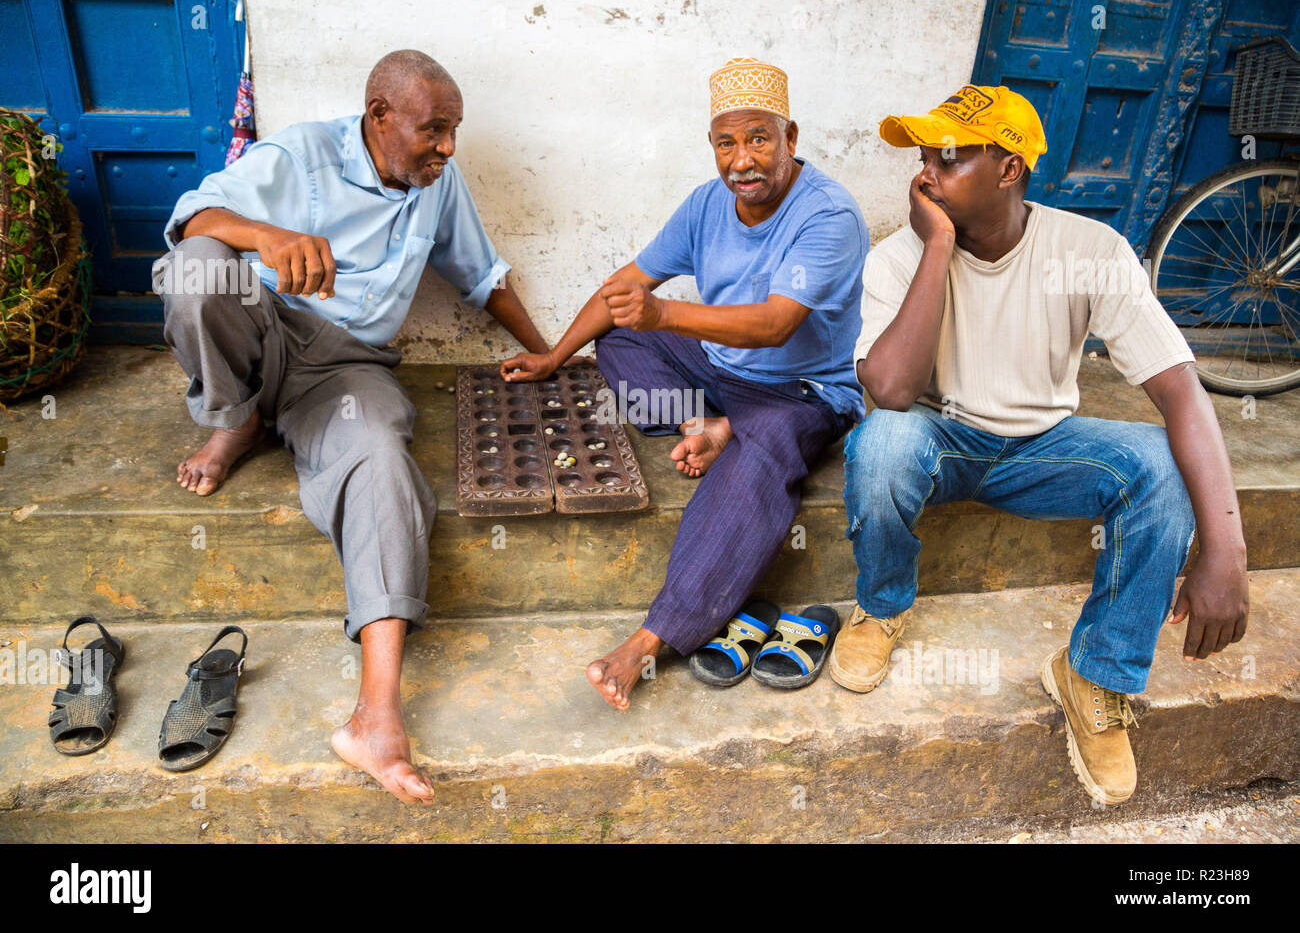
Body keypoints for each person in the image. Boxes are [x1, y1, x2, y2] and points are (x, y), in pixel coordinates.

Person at [152, 50, 551, 803]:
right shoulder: (303, 156)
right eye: (434, 129)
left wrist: (550, 352)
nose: (448, 147)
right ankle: (234, 419)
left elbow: (482, 275)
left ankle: (375, 714)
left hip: (345, 373)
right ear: (379, 117)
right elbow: (190, 218)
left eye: (454, 131)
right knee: (197, 269)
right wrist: (262, 239)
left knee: (379, 456)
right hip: (264, 333)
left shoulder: (438, 186)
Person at [836, 84, 1250, 804]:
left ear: (1010, 170)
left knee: (1157, 463)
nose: (926, 173)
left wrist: (1226, 548)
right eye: (925, 157)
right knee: (881, 443)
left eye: (951, 156)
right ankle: (882, 603)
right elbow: (893, 391)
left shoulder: (1088, 251)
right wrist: (937, 244)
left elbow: (1179, 388)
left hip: (1047, 450)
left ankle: (1093, 675)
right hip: (942, 439)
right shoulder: (899, 256)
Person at [500, 58, 868, 709]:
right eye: (726, 142)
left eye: (759, 137)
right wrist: (555, 355)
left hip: (802, 393)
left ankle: (651, 639)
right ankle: (703, 424)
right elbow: (627, 288)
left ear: (792, 137)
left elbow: (777, 324)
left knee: (769, 442)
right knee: (620, 338)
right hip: (722, 371)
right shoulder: (706, 204)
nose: (742, 159)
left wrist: (666, 311)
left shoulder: (828, 216)